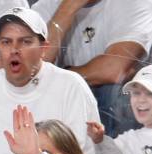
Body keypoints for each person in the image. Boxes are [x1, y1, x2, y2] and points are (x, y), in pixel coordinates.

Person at [0, 6, 100, 154]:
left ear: (44, 48)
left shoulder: (71, 85)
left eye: (25, 41)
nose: (14, 49)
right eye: (6, 42)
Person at [33, 0, 152, 136]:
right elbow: (31, 67)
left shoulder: (133, 3)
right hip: (65, 94)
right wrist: (67, 9)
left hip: (112, 98)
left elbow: (113, 69)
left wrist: (58, 76)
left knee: (111, 91)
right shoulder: (46, 6)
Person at [87, 66, 152, 154]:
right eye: (136, 93)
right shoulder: (129, 139)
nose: (141, 100)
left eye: (150, 93)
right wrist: (100, 141)